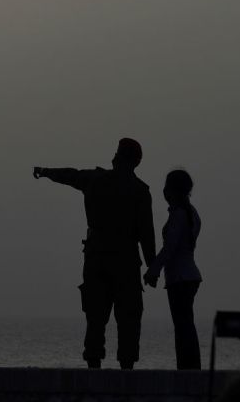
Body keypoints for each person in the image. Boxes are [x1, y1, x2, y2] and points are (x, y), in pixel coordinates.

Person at [33, 138, 156, 369]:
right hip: (125, 263)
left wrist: (46, 171)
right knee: (127, 319)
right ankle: (125, 368)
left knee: (96, 317)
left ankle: (94, 365)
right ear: (136, 162)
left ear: (118, 157)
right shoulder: (140, 191)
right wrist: (152, 267)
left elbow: (71, 175)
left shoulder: (96, 180)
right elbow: (146, 235)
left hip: (97, 259)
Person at [143, 169, 202, 370]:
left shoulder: (179, 215)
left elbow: (170, 248)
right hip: (188, 275)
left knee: (183, 327)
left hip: (180, 277)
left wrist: (153, 270)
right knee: (186, 325)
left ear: (172, 190)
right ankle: (190, 367)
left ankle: (187, 369)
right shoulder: (191, 213)